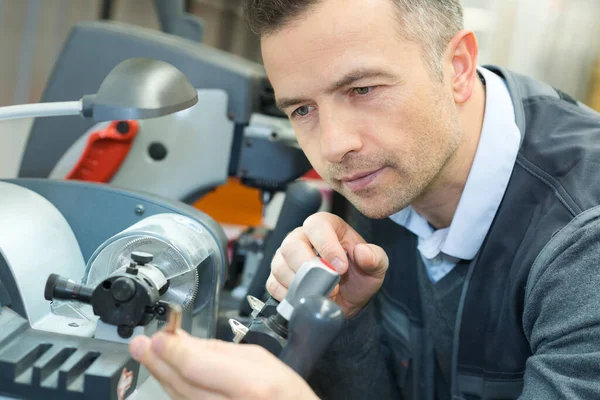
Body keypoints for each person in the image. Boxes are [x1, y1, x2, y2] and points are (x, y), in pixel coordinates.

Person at [128, 0, 600, 398]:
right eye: (303, 109)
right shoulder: (391, 175)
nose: (334, 146)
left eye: (363, 89)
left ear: (456, 68)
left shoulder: (584, 241)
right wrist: (338, 320)